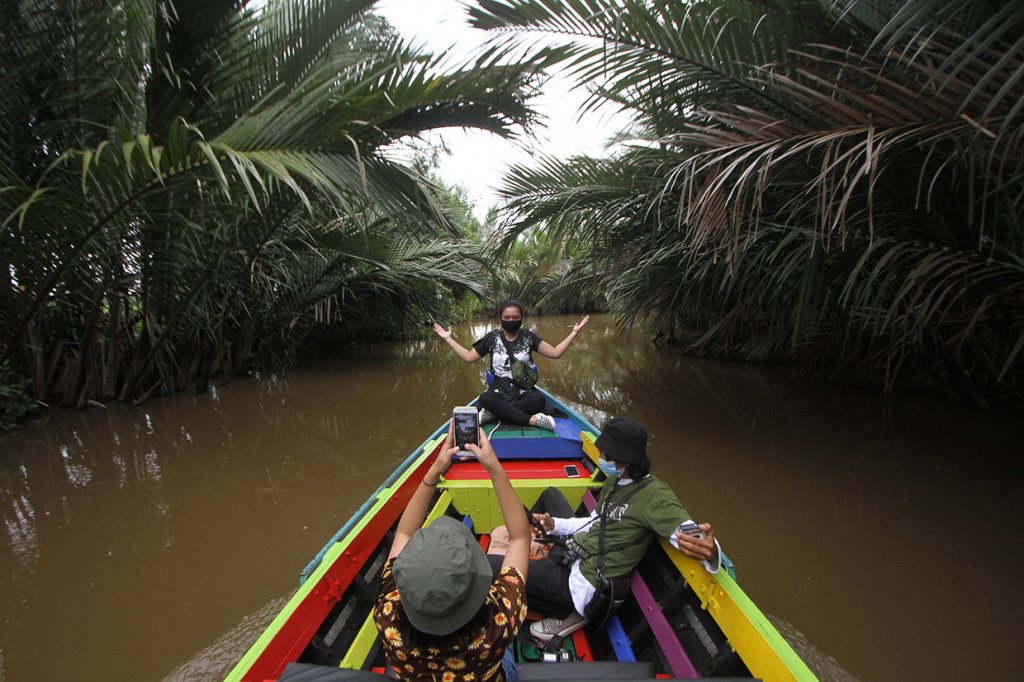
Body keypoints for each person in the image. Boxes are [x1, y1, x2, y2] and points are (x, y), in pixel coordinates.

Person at [487, 416, 721, 643]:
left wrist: (712, 552)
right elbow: (591, 523)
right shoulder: (615, 481)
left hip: (584, 583)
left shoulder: (656, 497)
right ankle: (532, 547)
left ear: (626, 461)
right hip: (579, 553)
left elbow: (694, 536)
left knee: (493, 565)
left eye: (606, 455)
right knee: (551, 494)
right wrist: (554, 525)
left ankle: (568, 613)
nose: (600, 458)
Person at [373, 421, 531, 681]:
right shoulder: (498, 625)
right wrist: (493, 467)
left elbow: (403, 533)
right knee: (508, 659)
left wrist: (435, 469)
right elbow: (521, 537)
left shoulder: (387, 617)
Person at [433, 301, 590, 430]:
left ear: (521, 318)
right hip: (499, 388)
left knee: (538, 400)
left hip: (523, 388)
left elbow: (555, 353)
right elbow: (468, 357)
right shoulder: (492, 338)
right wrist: (448, 338)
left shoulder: (528, 337)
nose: (511, 320)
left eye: (516, 317)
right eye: (507, 317)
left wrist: (574, 333)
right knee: (486, 398)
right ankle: (533, 420)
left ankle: (494, 414)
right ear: (501, 318)